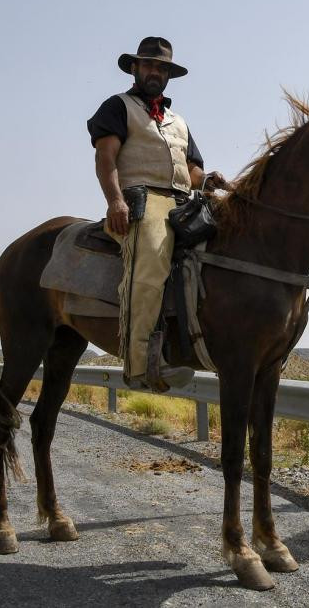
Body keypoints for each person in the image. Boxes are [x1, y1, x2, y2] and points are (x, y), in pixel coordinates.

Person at [86, 36, 224, 390]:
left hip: (185, 200)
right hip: (142, 199)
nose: (155, 72)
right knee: (152, 260)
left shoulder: (179, 121)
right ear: (135, 68)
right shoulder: (118, 107)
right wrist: (115, 200)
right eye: (148, 65)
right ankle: (140, 366)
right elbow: (106, 158)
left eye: (162, 68)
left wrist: (208, 179)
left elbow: (191, 172)